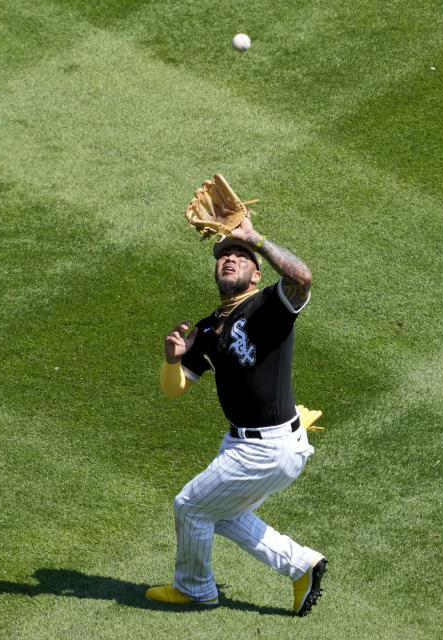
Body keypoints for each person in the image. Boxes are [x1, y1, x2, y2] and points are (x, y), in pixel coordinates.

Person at [146, 216, 327, 616]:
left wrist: (256, 238)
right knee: (220, 513)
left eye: (240, 256)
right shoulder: (208, 329)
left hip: (267, 448)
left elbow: (304, 278)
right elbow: (174, 388)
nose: (229, 259)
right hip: (251, 443)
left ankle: (194, 589)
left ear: (256, 272)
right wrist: (171, 361)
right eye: (224, 254)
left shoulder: (269, 306)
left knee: (190, 506)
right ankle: (302, 566)